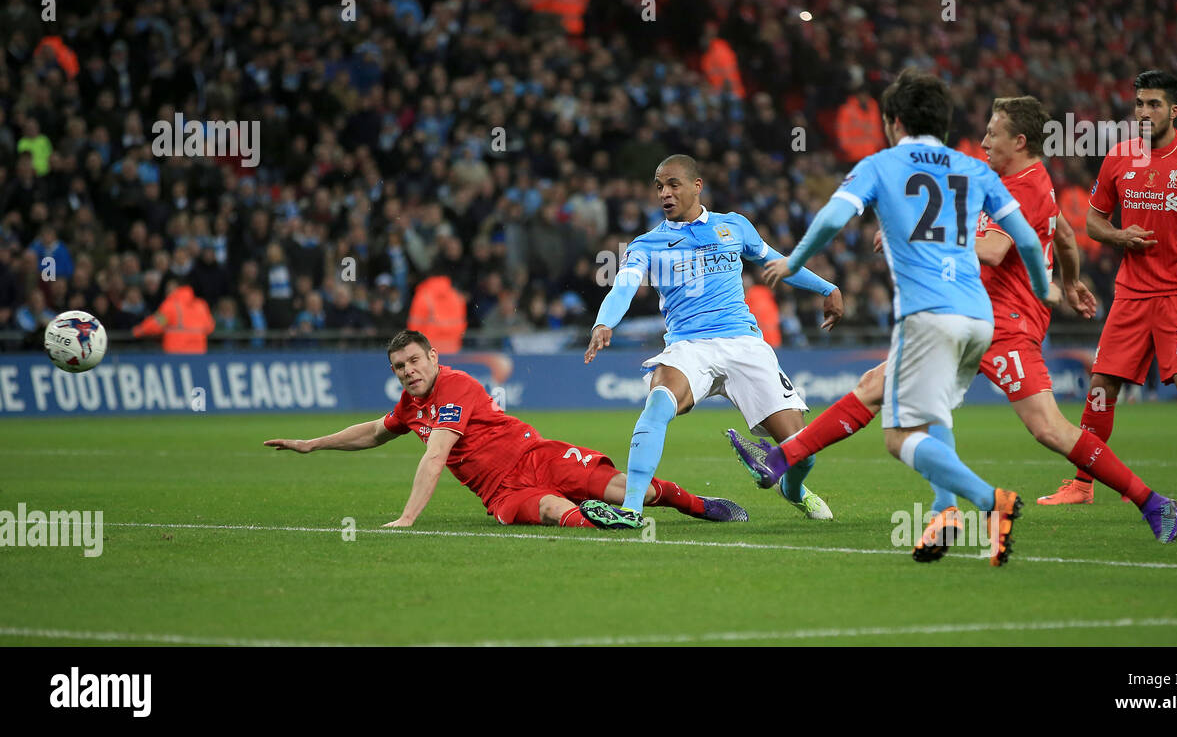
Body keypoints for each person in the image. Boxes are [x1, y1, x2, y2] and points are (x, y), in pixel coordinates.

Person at [731, 96, 1177, 557]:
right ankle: (936, 512)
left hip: (1002, 323)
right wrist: (1067, 284)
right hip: (972, 313)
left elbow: (991, 250)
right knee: (883, 390)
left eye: (993, 133)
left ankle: (1152, 502)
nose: (984, 141)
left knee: (1048, 429)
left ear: (1020, 141)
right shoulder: (1012, 181)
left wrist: (910, 232)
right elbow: (1065, 234)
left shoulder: (1027, 186)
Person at [738, 68, 1053, 567]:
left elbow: (832, 218)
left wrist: (794, 262)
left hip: (927, 317)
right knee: (932, 417)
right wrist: (1042, 288)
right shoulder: (974, 169)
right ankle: (945, 512)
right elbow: (1031, 242)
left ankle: (993, 502)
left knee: (897, 437)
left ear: (894, 121)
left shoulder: (882, 164)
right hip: (980, 319)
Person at [582, 154, 844, 528]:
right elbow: (623, 286)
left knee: (803, 452)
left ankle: (794, 489)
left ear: (696, 186)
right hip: (689, 348)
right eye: (659, 187)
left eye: (673, 184)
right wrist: (603, 323)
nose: (665, 193)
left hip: (744, 344)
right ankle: (631, 509)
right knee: (657, 404)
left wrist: (826, 287)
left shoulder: (733, 227)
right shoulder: (648, 243)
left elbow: (777, 262)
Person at [264, 330, 747, 529]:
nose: (408, 371)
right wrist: (313, 443)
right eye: (399, 367)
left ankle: (701, 505)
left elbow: (435, 455)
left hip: (536, 456)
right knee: (555, 510)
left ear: (434, 357)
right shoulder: (411, 405)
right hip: (500, 492)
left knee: (627, 486)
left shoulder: (454, 385)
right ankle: (602, 520)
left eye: (414, 361)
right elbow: (374, 431)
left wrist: (408, 517)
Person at [1066, 69, 1177, 508]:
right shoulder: (1118, 157)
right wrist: (1118, 237)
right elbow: (1093, 222)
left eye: (1153, 105)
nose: (1144, 112)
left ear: (1173, 111)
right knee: (1100, 386)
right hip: (1131, 291)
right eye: (1139, 104)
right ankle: (1080, 485)